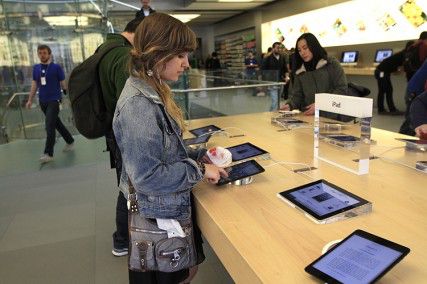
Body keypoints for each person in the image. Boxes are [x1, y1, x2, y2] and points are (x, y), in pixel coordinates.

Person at [112, 13, 227, 283]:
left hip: (164, 214)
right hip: (157, 221)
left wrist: (200, 155)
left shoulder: (152, 89)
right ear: (157, 54)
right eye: (180, 55)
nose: (187, 64)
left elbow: (164, 151)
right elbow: (148, 176)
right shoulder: (139, 105)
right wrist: (198, 169)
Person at [97, 17, 144, 257]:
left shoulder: (107, 49)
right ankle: (123, 239)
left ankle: (123, 238)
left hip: (113, 130)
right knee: (129, 186)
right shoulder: (124, 56)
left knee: (126, 184)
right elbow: (129, 102)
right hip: (124, 133)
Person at [25, 45, 74, 163]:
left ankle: (48, 153)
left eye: (44, 53)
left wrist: (67, 94)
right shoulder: (36, 68)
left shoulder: (56, 68)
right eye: (40, 53)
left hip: (54, 101)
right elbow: (34, 85)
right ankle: (70, 140)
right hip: (43, 102)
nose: (42, 55)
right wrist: (30, 99)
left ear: (49, 54)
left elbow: (63, 83)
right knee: (56, 123)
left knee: (49, 125)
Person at [282, 33, 347, 115]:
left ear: (313, 46)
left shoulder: (331, 64)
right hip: (309, 118)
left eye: (305, 48)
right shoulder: (300, 71)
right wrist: (290, 105)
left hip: (332, 117)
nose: (302, 52)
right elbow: (297, 96)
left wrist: (321, 104)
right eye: (299, 50)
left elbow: (341, 89)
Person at [374, 46, 408, 115]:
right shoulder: (404, 56)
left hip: (382, 72)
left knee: (385, 90)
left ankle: (386, 109)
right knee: (385, 90)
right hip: (382, 72)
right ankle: (387, 110)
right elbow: (400, 68)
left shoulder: (401, 54)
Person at [399, 59, 427, 135]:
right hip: (416, 91)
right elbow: (420, 102)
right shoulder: (423, 47)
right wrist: (421, 123)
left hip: (414, 88)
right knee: (410, 121)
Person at [261, 42, 289, 111]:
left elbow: (285, 69)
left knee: (278, 100)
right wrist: (265, 82)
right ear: (273, 48)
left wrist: (287, 76)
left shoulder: (282, 57)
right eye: (277, 48)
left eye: (280, 48)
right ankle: (271, 115)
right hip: (272, 82)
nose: (279, 49)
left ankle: (273, 113)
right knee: (275, 101)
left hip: (281, 82)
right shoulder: (267, 58)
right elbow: (263, 71)